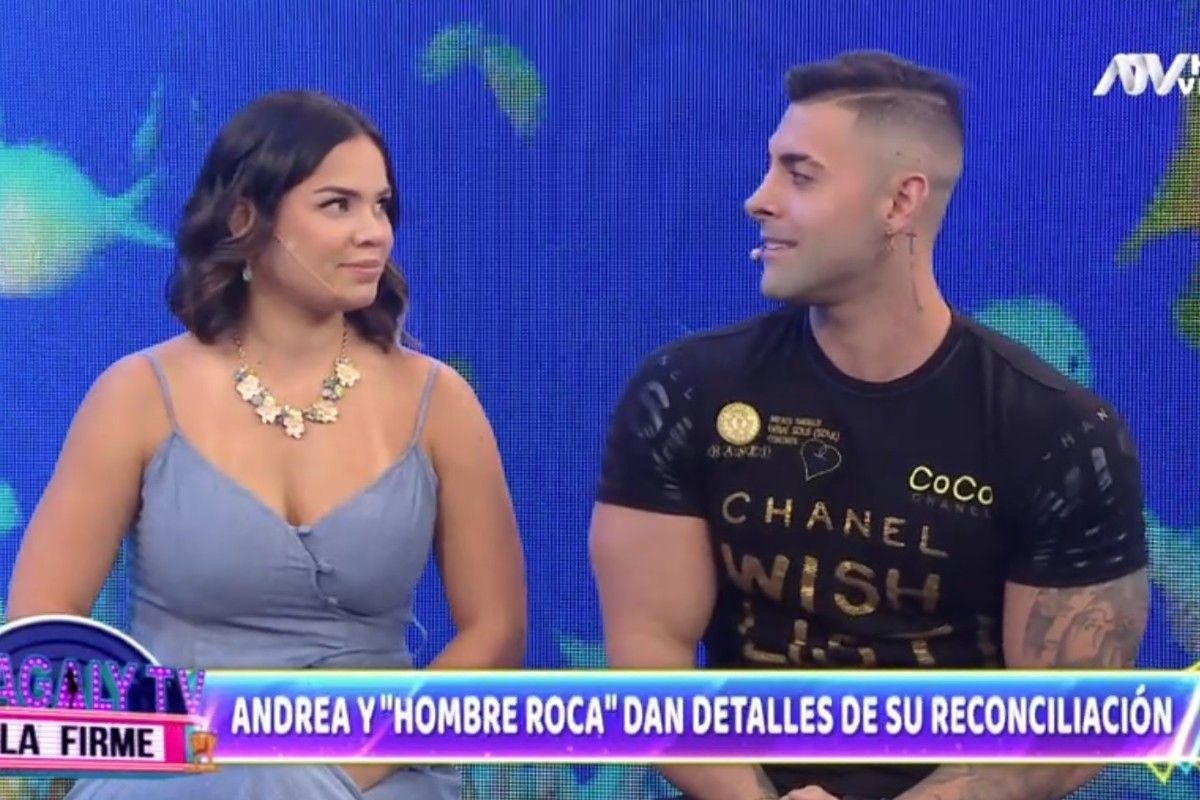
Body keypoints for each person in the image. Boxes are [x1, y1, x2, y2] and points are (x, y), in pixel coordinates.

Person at [589, 51, 1150, 800]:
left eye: (800, 175)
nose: (758, 200)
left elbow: (1070, 724)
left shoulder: (1059, 436)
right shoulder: (685, 394)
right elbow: (648, 655)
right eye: (770, 168)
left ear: (900, 203)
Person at [7, 90, 527, 799]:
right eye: (338, 205)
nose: (374, 232)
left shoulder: (441, 405)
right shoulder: (134, 398)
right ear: (246, 219)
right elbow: (42, 626)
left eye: (381, 206)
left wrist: (341, 770)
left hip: (377, 771)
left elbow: (496, 633)